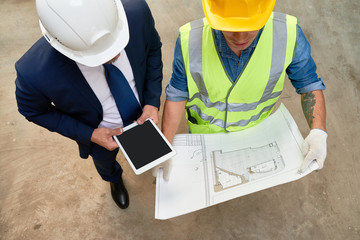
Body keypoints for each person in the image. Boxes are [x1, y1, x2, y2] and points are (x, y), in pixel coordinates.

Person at [15, 0, 163, 209]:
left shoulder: (137, 12)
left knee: (147, 150)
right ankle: (114, 180)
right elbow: (32, 110)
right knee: (105, 163)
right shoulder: (33, 73)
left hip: (142, 115)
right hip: (101, 134)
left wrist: (152, 102)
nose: (115, 55)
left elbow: (153, 50)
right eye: (97, 56)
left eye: (116, 43)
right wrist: (89, 134)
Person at [159, 0, 327, 178]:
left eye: (249, 26)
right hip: (205, 137)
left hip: (255, 134)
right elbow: (177, 94)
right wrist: (164, 147)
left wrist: (318, 131)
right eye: (231, 27)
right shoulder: (189, 40)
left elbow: (308, 84)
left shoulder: (288, 34)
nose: (240, 38)